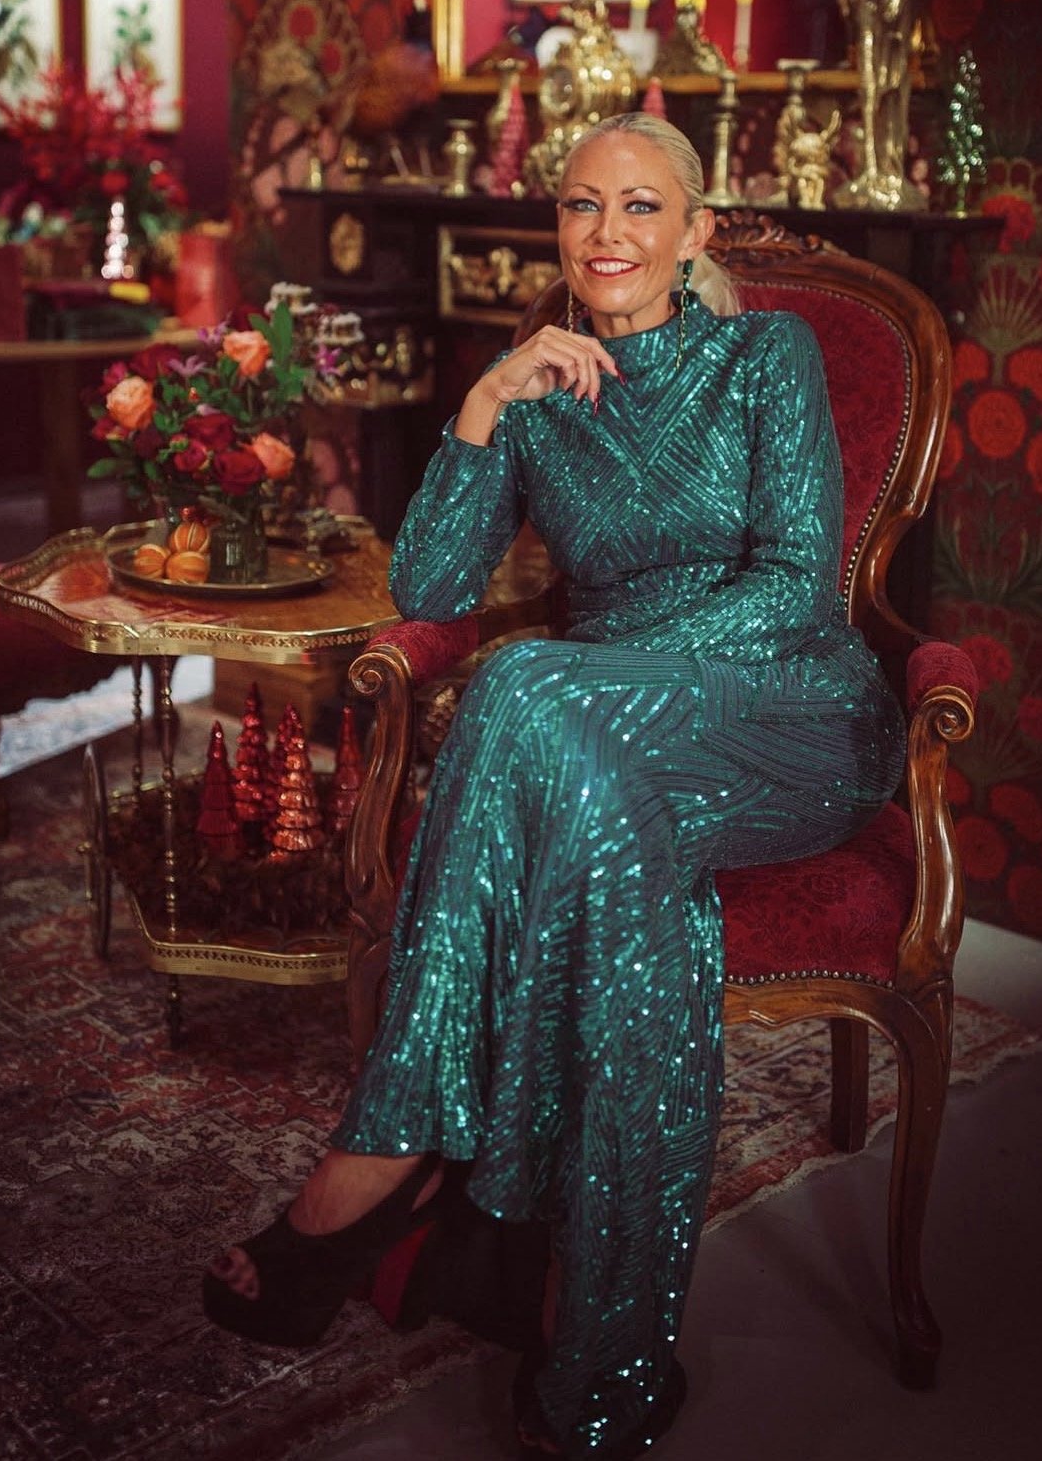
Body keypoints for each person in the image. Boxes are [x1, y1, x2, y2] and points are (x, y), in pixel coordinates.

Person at [203, 113, 906, 1459]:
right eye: (583, 205)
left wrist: (592, 678)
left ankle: (395, 1152)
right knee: (605, 827)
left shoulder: (767, 354)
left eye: (641, 207)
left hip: (793, 710)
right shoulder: (537, 389)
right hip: (603, 749)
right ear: (558, 230)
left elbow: (794, 588)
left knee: (530, 685)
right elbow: (429, 587)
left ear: (694, 233)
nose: (608, 232)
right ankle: (603, 1355)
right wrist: (486, 404)